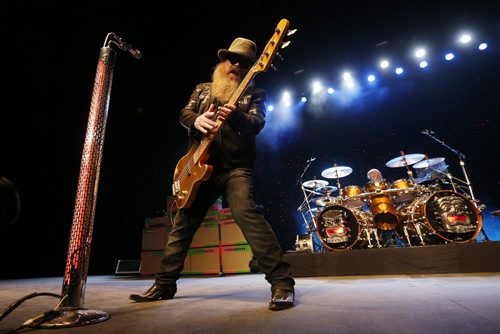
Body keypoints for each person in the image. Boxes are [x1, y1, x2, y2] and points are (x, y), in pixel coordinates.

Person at [129, 37, 295, 310]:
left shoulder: (255, 95)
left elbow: (257, 123)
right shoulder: (202, 90)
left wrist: (237, 117)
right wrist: (195, 120)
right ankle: (164, 284)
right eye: (231, 58)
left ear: (251, 68)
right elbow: (184, 113)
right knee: (182, 225)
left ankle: (282, 284)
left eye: (242, 62)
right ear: (222, 61)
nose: (235, 65)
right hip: (198, 168)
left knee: (246, 213)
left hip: (236, 168)